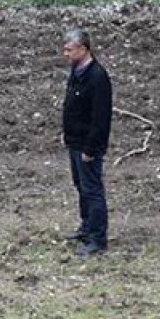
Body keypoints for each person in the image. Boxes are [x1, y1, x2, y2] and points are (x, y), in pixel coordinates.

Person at [61, 28, 112, 256]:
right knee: (81, 187)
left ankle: (97, 239)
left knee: (92, 190)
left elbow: (101, 118)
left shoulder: (97, 77)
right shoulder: (77, 71)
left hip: (87, 145)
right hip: (75, 141)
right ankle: (86, 227)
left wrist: (91, 148)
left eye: (70, 49)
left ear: (84, 49)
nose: (66, 53)